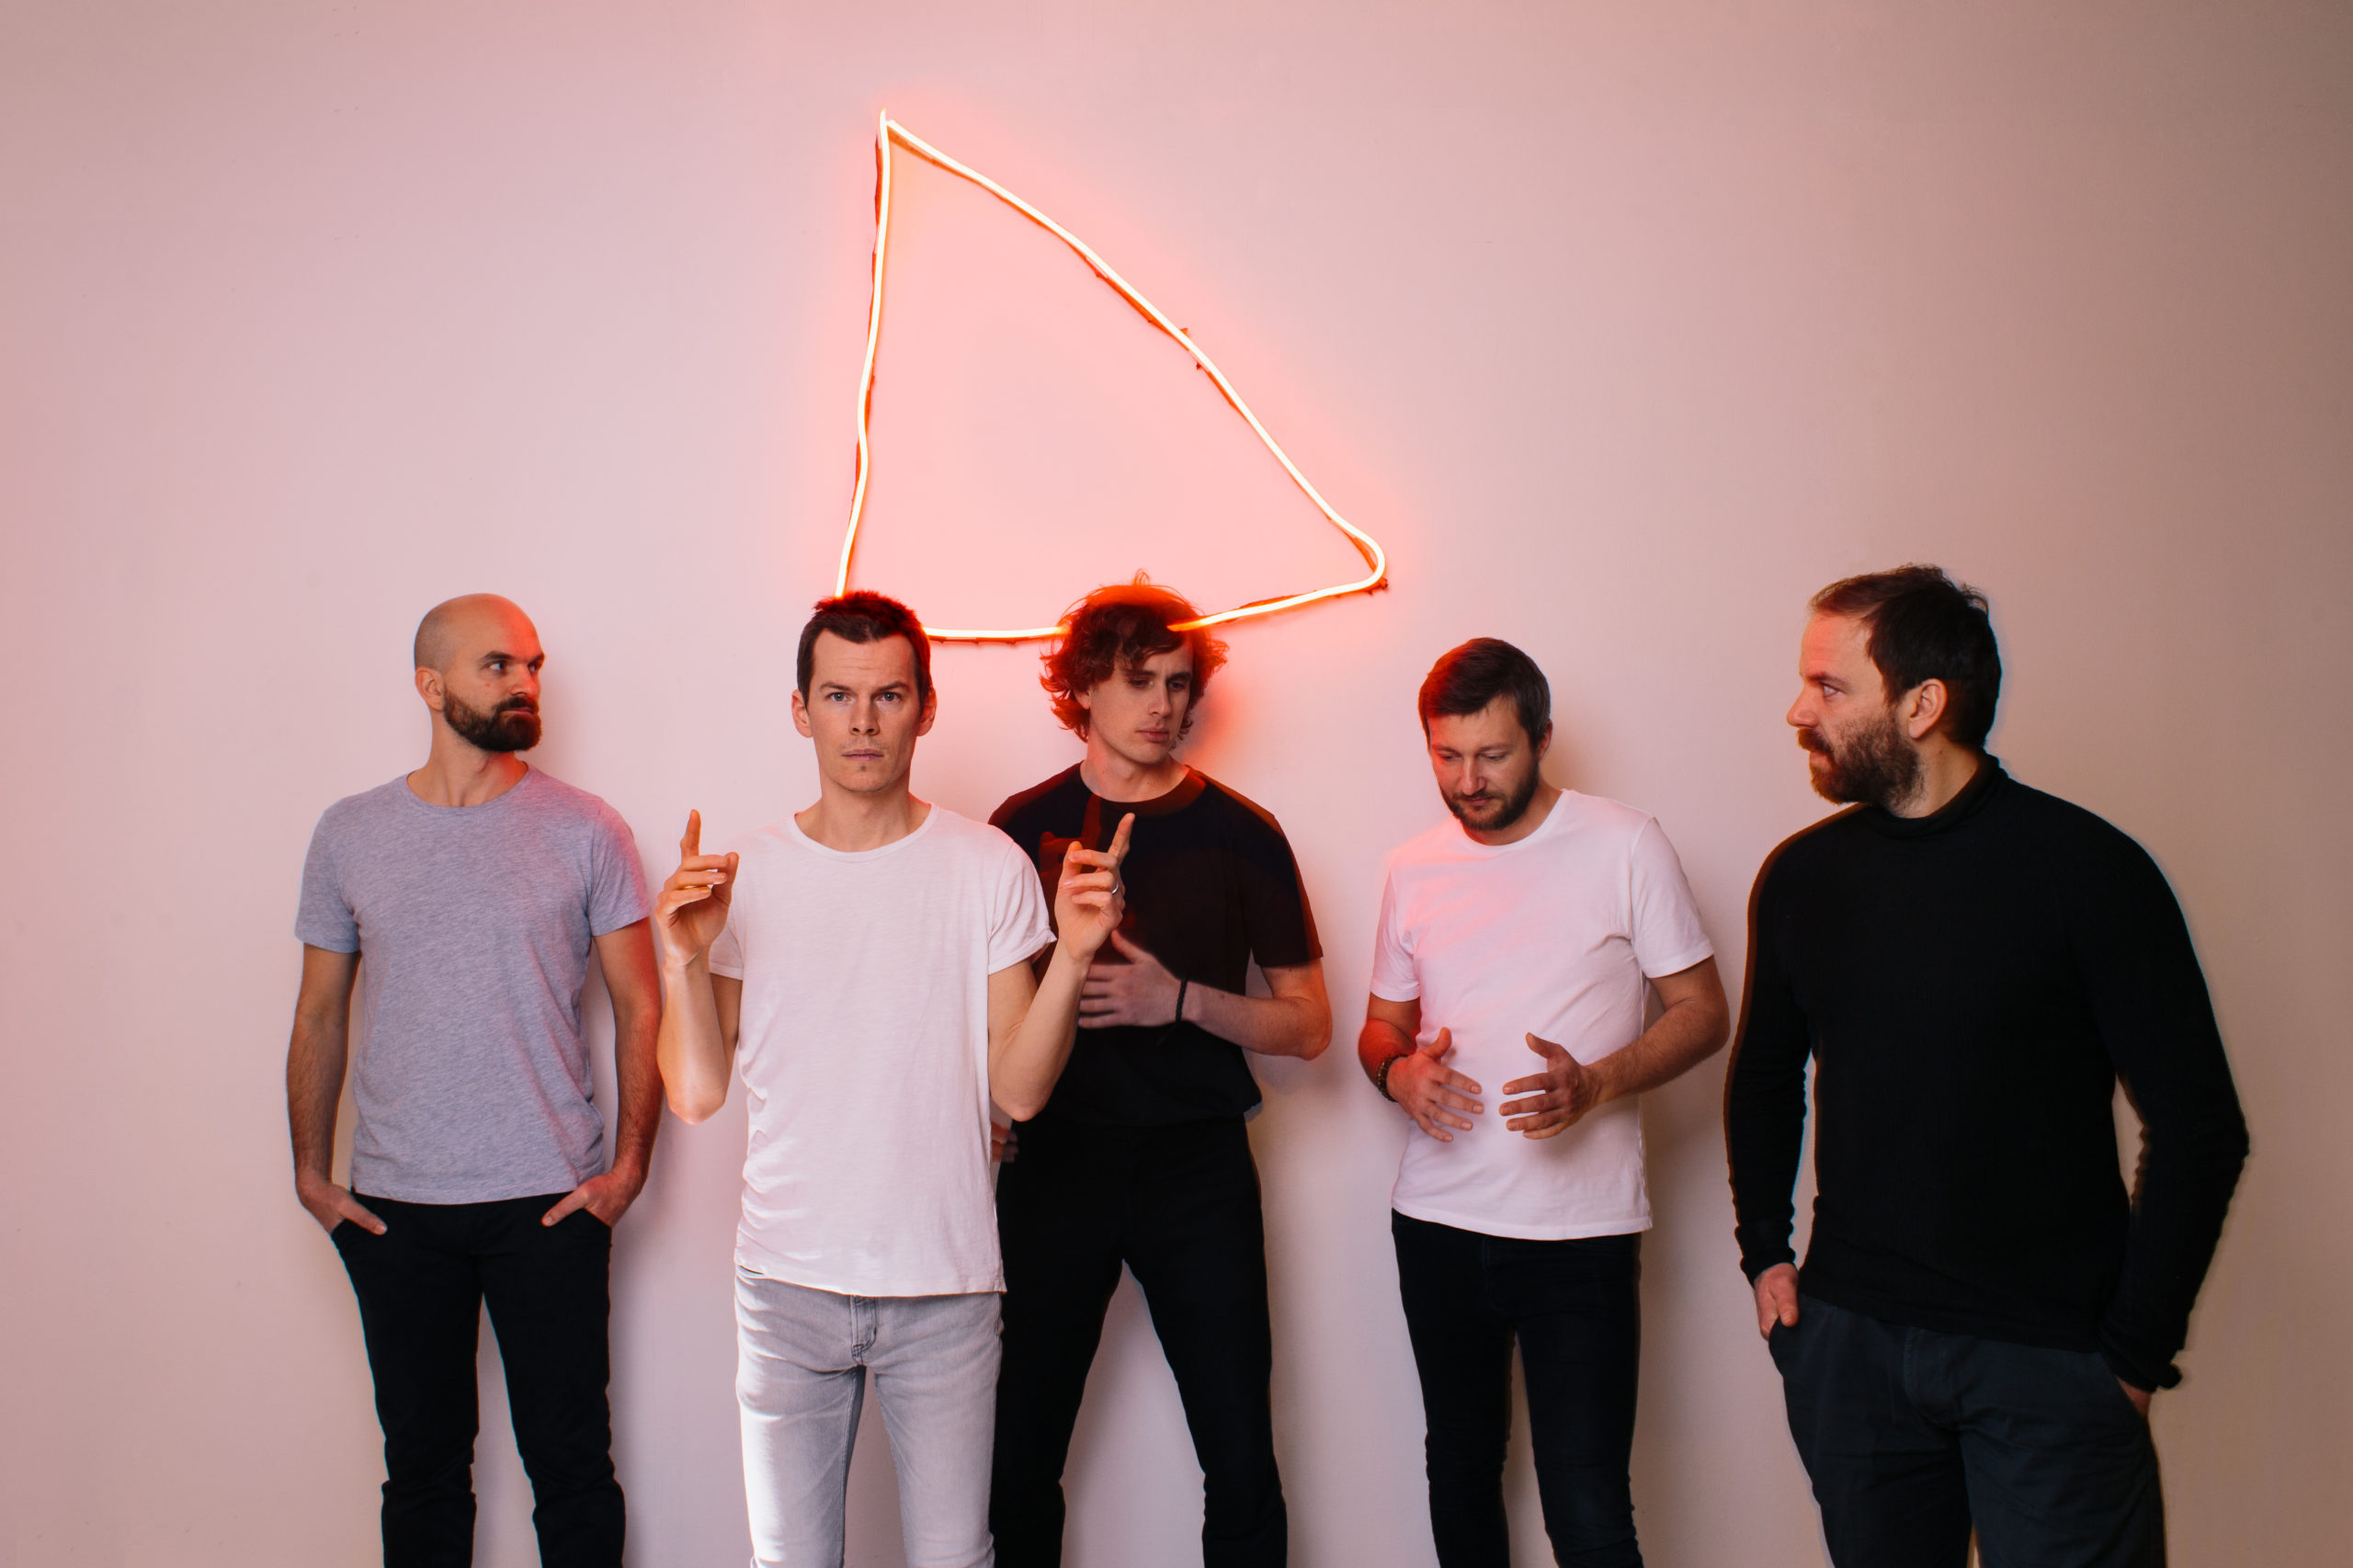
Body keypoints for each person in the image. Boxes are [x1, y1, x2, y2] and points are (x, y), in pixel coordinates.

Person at [1724, 565, 2250, 1568]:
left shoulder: (2089, 872)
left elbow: (2199, 1129)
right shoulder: (1802, 878)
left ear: (1923, 704)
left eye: (1829, 686)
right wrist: (1764, 1252)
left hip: (2050, 1360)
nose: (1798, 711)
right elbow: (1764, 1077)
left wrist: (2131, 1359)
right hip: (1854, 1348)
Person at [652, 591, 1130, 1568]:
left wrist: (1075, 957)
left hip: (943, 1286)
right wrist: (682, 960)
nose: (863, 721)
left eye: (889, 696)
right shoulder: (748, 875)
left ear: (925, 707)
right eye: (839, 695)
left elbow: (1020, 1091)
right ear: (802, 711)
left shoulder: (985, 866)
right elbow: (696, 1093)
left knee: (955, 1559)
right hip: (785, 1286)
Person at [287, 593, 662, 1567]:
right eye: (498, 665)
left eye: (533, 665)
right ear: (431, 684)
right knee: (421, 1474)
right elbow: (320, 1012)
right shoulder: (351, 832)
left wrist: (626, 1171)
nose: (524, 683)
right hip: (396, 1208)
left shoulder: (588, 828)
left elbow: (641, 1005)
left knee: (572, 1470)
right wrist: (312, 1175)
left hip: (551, 1200)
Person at [1358, 638, 1728, 1568]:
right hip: (1437, 1222)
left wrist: (1596, 1081)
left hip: (1578, 1235)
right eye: (1447, 755)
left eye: (1492, 754)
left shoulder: (1625, 843)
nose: (1467, 780)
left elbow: (1703, 1012)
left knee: (1588, 1505)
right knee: (1460, 1472)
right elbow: (1378, 1027)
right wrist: (1399, 1073)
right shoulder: (1413, 867)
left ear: (1542, 737)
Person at [986, 580, 1331, 1568]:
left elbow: (1310, 1024)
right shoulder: (1020, 827)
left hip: (1197, 1170)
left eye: (1179, 683)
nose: (1164, 705)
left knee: (1239, 1450)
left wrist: (1177, 999)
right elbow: (974, 1005)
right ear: (1084, 686)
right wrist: (985, 1108)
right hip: (1055, 1164)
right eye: (1139, 681)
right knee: (1019, 1452)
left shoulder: (1242, 831)